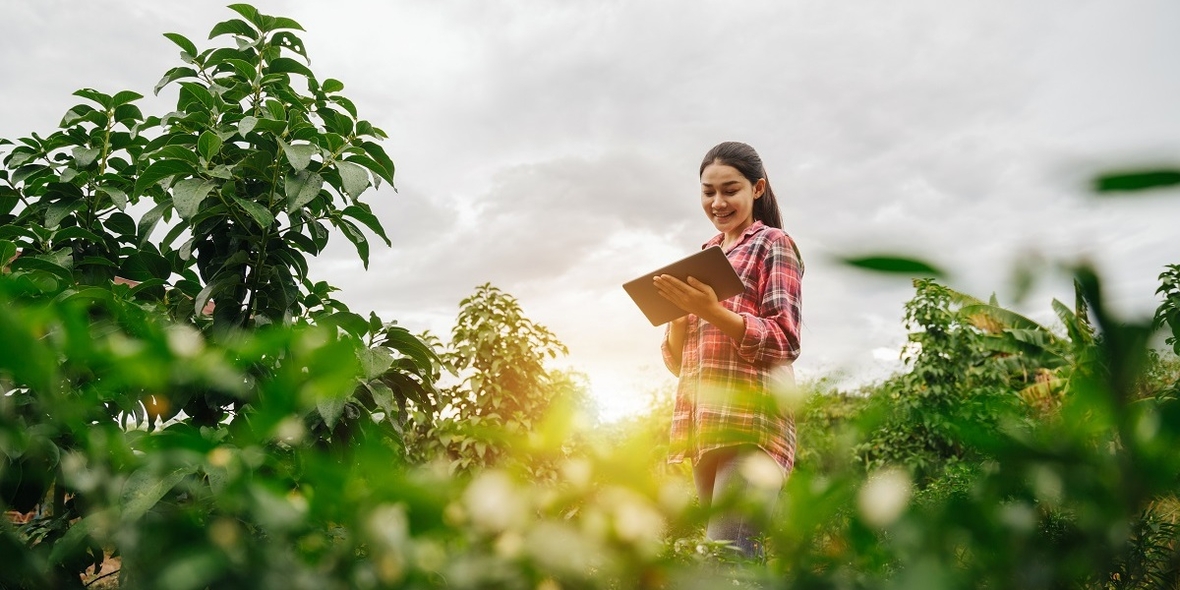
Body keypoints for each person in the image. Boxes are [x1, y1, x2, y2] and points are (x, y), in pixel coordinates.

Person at [652, 141, 803, 559]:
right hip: (706, 427)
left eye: (729, 190)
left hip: (751, 425)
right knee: (726, 561)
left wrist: (711, 311)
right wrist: (680, 319)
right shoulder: (704, 256)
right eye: (708, 192)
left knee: (724, 562)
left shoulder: (774, 243)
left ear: (757, 189)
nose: (718, 202)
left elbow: (785, 339)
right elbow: (682, 363)